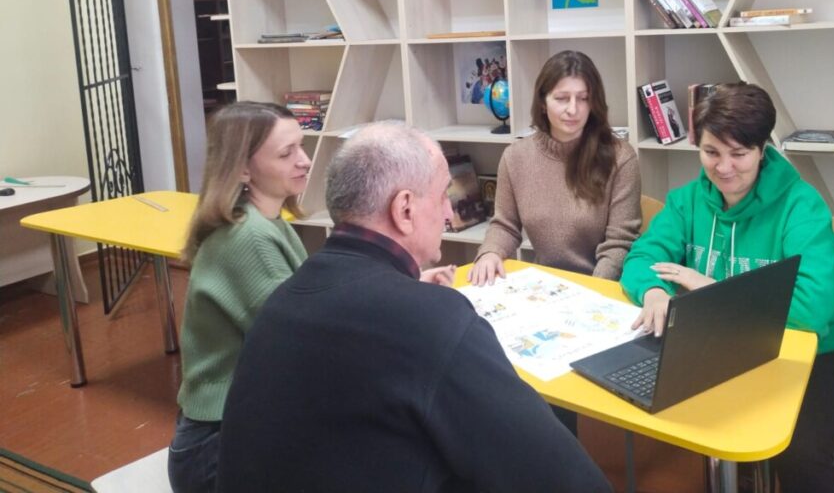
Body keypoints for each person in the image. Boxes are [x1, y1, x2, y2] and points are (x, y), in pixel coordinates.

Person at [216, 122, 612, 493]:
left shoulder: (284, 300)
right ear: (404, 209)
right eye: (442, 196)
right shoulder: (434, 320)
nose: (448, 213)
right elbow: (565, 479)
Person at [621, 83, 834, 493]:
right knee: (692, 412)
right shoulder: (687, 202)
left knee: (797, 448)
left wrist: (710, 288)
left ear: (762, 150)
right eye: (711, 152)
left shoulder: (801, 206)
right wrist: (654, 292)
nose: (724, 168)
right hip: (739, 344)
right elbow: (641, 258)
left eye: (739, 153)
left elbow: (810, 312)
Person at [168, 101, 311, 493]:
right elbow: (305, 340)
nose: (304, 160)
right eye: (286, 153)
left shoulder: (267, 222)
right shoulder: (248, 238)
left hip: (235, 429)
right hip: (217, 448)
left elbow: (311, 303)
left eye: (301, 146)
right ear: (244, 169)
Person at [468, 50, 641, 286]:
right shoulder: (516, 157)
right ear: (542, 102)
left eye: (583, 98)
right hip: (547, 287)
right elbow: (505, 226)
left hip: (603, 286)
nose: (573, 109)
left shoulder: (621, 158)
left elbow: (619, 244)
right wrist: (490, 253)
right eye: (562, 98)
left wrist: (591, 291)